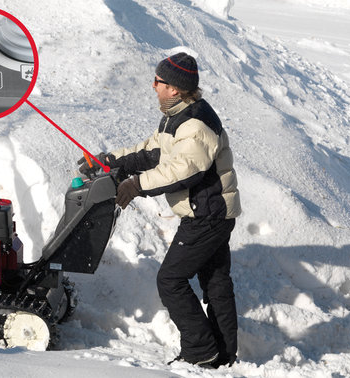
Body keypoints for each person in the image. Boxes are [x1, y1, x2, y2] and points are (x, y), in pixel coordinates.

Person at [78, 52, 241, 369]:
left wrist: (136, 185)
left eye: (159, 81)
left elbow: (185, 170)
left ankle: (200, 351)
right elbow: (153, 153)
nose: (153, 86)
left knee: (170, 280)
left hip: (206, 215)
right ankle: (223, 354)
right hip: (211, 212)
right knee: (216, 283)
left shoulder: (195, 124)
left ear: (175, 88)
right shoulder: (177, 116)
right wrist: (111, 162)